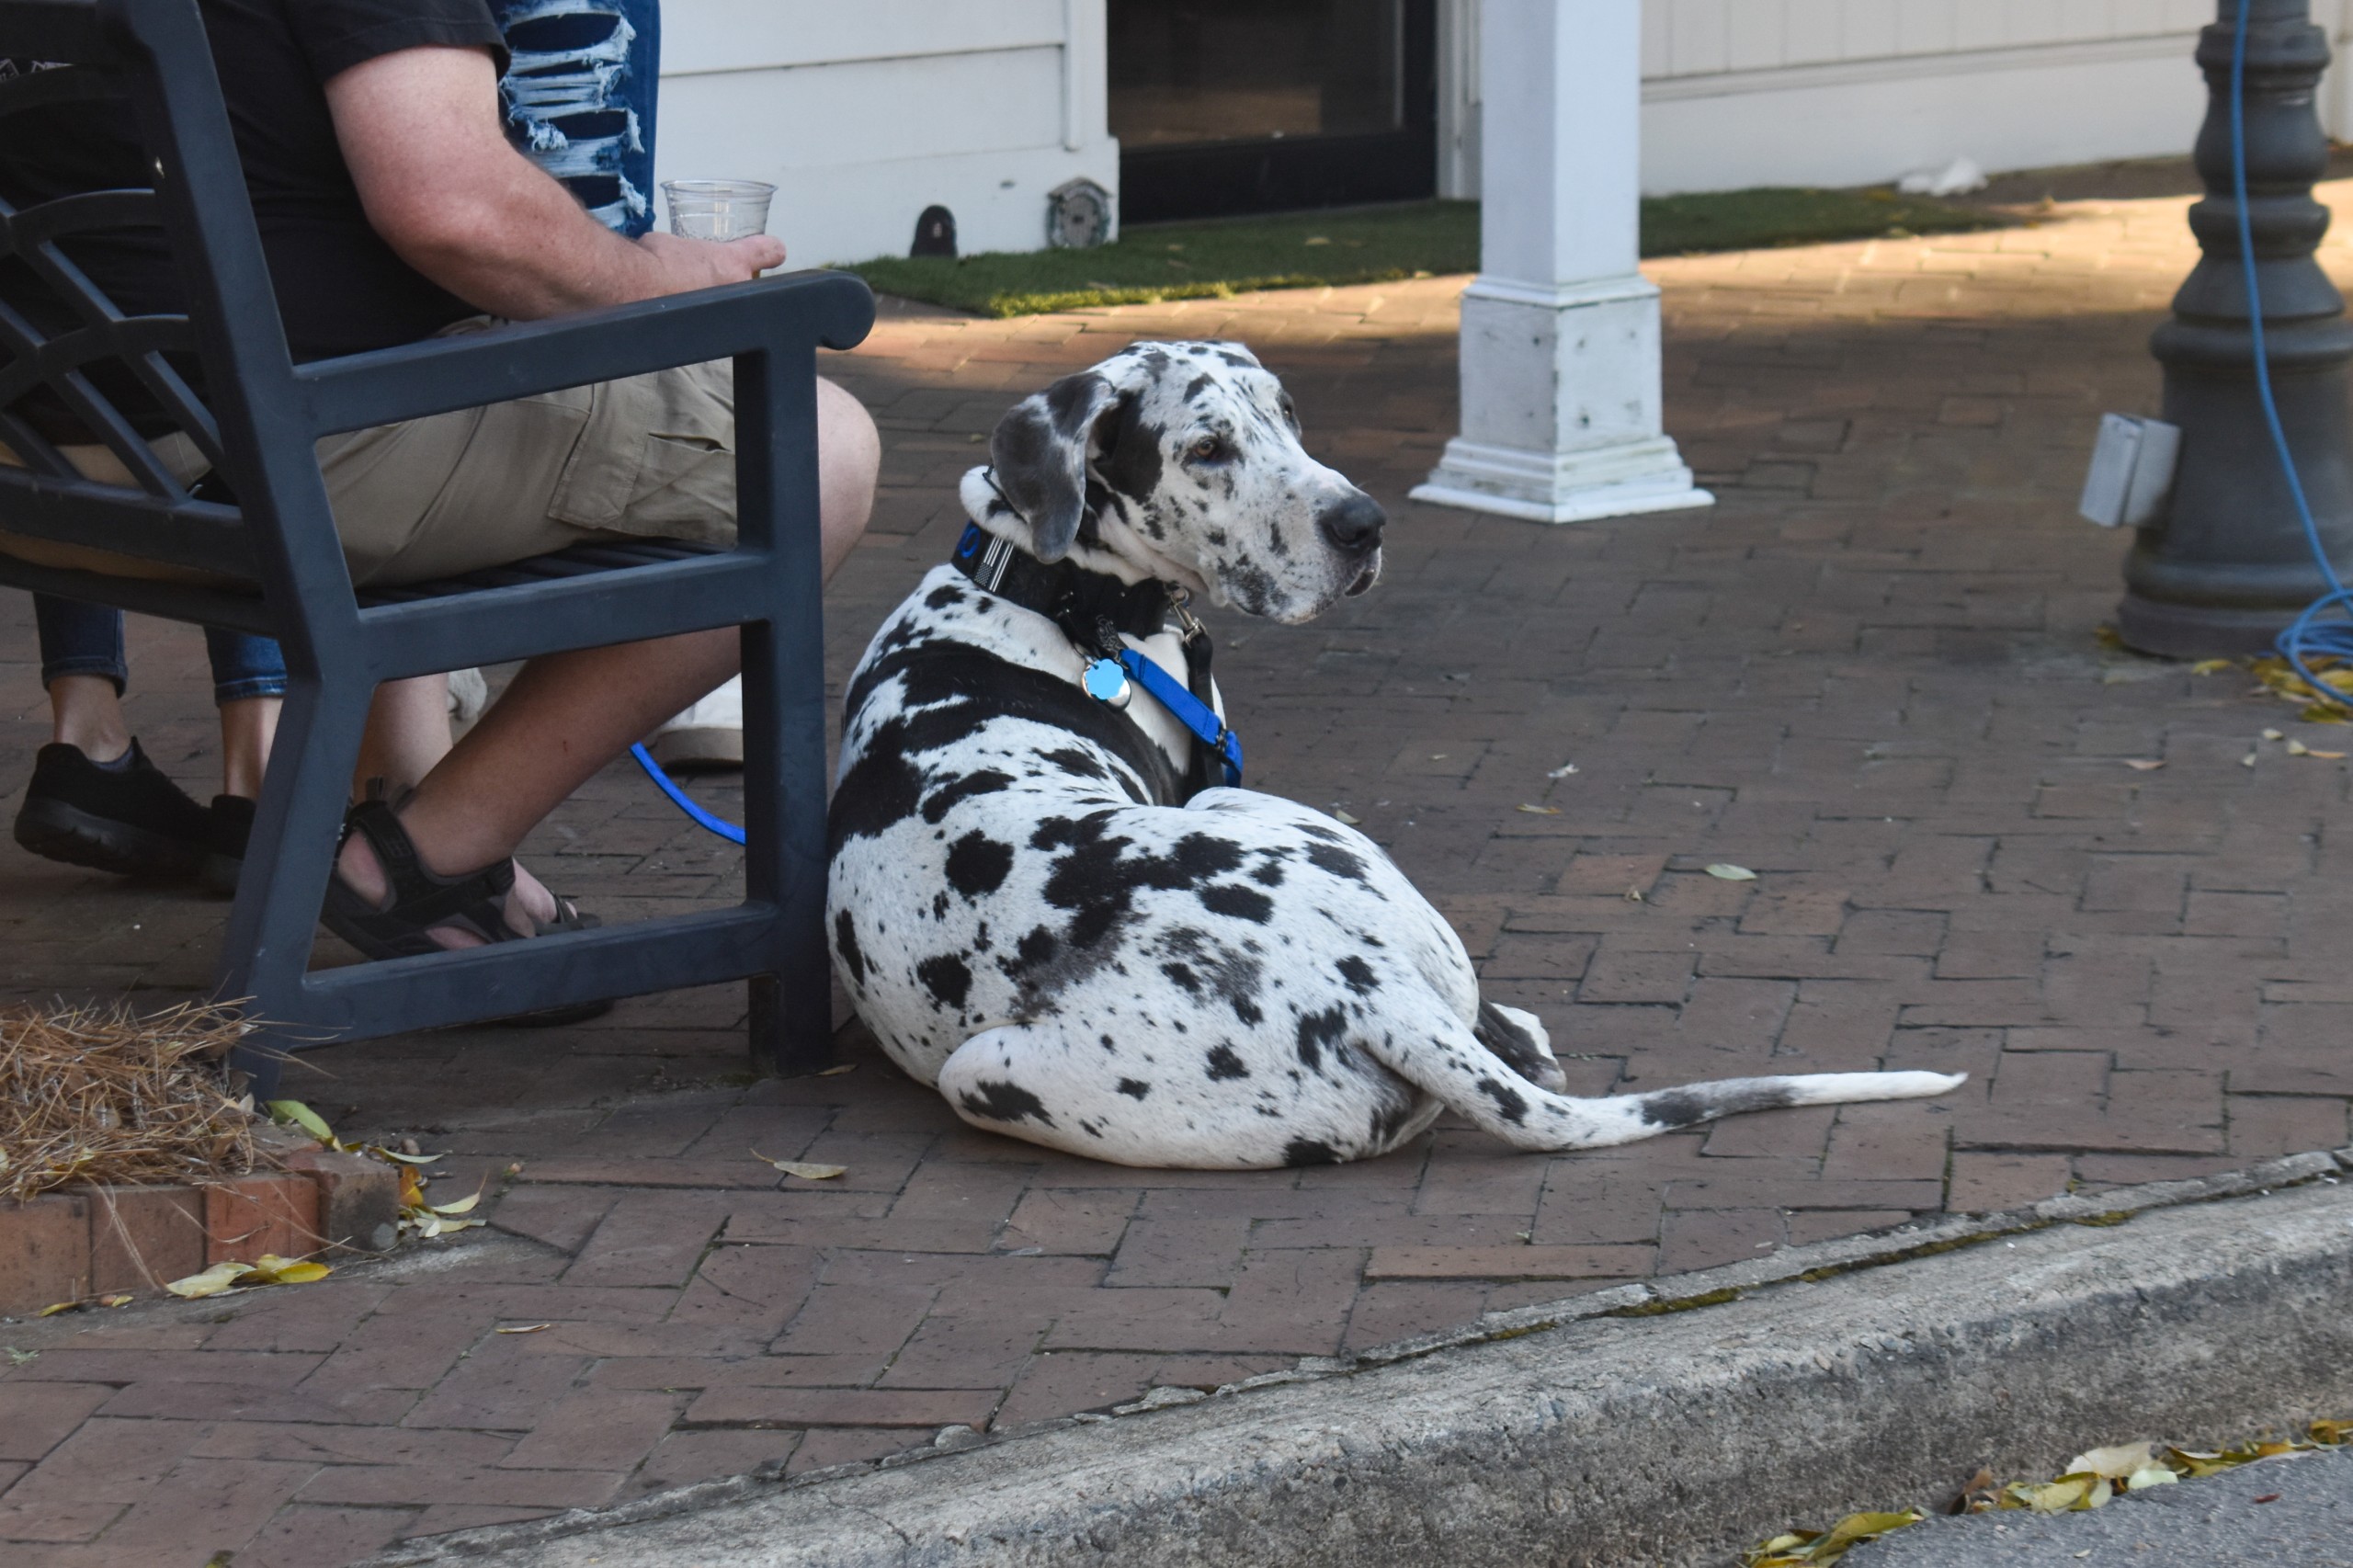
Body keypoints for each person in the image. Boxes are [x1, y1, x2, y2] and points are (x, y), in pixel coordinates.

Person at [0, 1, 879, 956]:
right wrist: (654, 279)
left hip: (41, 468)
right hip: (239, 469)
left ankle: (410, 789)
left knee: (424, 363)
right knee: (812, 449)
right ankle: (429, 860)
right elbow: (453, 211)